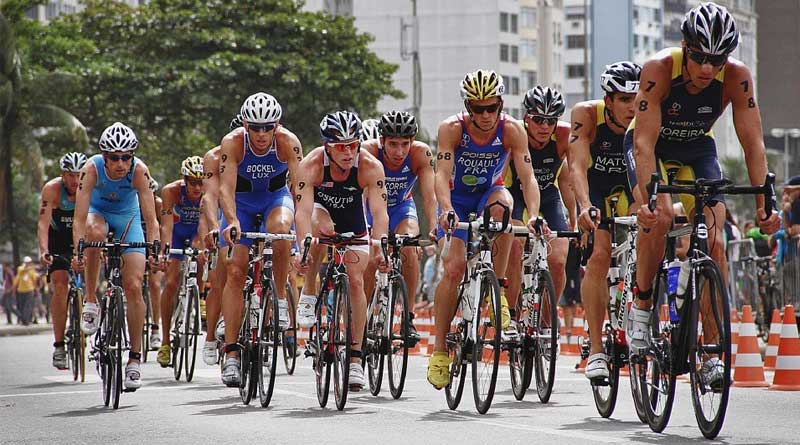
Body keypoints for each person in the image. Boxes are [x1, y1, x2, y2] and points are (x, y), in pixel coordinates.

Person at [626, 2, 780, 389]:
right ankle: (642, 308)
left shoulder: (737, 78)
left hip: (697, 149)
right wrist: (646, 200)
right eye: (699, 57)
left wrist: (764, 204)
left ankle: (711, 352)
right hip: (653, 146)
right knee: (661, 216)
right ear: (684, 48)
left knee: (715, 241)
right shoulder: (659, 69)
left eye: (717, 59)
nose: (708, 68)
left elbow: (753, 143)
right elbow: (643, 145)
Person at [426, 69, 541, 389]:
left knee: (504, 213)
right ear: (468, 107)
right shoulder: (452, 129)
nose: (486, 115)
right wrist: (446, 210)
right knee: (454, 269)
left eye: (492, 107)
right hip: (457, 200)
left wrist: (533, 215)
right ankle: (439, 351)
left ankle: (497, 293)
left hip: (489, 194)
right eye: (478, 109)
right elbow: (441, 173)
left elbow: (528, 177)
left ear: (501, 104)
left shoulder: (512, 130)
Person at [293, 110, 390, 392]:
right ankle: (309, 291)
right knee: (319, 231)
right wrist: (302, 248)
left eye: (352, 145)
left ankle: (356, 357)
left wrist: (381, 247)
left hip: (352, 217)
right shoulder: (311, 165)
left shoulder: (370, 166)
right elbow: (302, 213)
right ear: (327, 147)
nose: (348, 153)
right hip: (320, 211)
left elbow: (379, 213)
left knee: (357, 280)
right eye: (340, 147)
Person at [218, 93, 303, 387]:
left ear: (277, 125)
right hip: (241, 203)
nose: (262, 134)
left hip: (274, 199)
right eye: (255, 128)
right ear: (245, 125)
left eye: (268, 127)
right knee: (235, 270)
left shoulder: (288, 142)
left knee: (280, 229)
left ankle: (278, 298)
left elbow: (300, 189)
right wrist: (231, 220)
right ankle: (231, 353)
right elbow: (225, 188)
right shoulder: (232, 143)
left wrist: (302, 230)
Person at [71, 122, 160, 391]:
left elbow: (151, 220)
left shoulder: (139, 171)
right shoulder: (90, 169)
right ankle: (90, 300)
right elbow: (79, 219)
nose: (120, 163)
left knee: (133, 286)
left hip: (127, 217)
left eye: (126, 157)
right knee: (94, 232)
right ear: (104, 156)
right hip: (97, 214)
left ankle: (134, 359)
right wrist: (78, 251)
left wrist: (155, 250)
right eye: (114, 157)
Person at [568, 61, 641, 380]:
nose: (632, 107)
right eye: (624, 100)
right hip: (594, 188)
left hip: (629, 186)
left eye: (636, 99)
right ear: (608, 100)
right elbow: (576, 167)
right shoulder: (587, 115)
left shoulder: (647, 115)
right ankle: (596, 349)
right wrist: (584, 206)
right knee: (599, 254)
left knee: (649, 241)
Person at [505, 85, 575, 339]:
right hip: (515, 193)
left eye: (550, 120)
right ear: (526, 117)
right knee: (515, 245)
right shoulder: (515, 133)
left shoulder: (565, 136)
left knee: (558, 259)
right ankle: (512, 315)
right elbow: (500, 177)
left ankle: (546, 319)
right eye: (538, 119)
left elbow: (569, 180)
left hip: (548, 195)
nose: (544, 126)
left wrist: (575, 218)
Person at [361, 110, 437, 341]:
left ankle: (408, 317)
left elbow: (429, 197)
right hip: (371, 208)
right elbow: (360, 195)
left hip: (402, 207)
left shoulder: (421, 154)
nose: (399, 152)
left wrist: (434, 227)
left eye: (405, 144)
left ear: (412, 141)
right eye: (393, 144)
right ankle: (362, 318)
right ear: (381, 140)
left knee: (409, 248)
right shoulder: (368, 152)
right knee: (371, 258)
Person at [195, 115, 240, 366]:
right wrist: (213, 227)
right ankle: (211, 336)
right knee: (220, 279)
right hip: (224, 214)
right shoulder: (214, 157)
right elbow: (209, 198)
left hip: (248, 211)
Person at [37, 152, 86, 368]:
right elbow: (42, 224)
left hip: (81, 237)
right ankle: (59, 346)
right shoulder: (52, 190)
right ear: (62, 175)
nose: (75, 180)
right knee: (60, 285)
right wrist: (44, 251)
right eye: (70, 175)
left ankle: (90, 311)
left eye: (79, 175)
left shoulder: (91, 188)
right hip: (58, 240)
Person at [157, 156, 205, 367]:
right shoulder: (171, 192)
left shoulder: (208, 192)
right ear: (184, 180)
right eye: (192, 182)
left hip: (197, 233)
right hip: (176, 235)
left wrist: (201, 244)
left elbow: (205, 224)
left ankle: (200, 296)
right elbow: (166, 225)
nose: (197, 187)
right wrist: (165, 251)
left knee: (202, 255)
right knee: (171, 283)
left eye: (201, 182)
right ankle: (165, 342)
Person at [13, 257, 40, 326]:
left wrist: (36, 289)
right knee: (22, 306)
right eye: (27, 262)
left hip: (29, 290)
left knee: (28, 306)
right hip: (21, 290)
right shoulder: (20, 268)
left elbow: (34, 280)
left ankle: (26, 320)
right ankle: (23, 319)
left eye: (29, 262)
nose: (28, 264)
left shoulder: (32, 271)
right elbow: (22, 271)